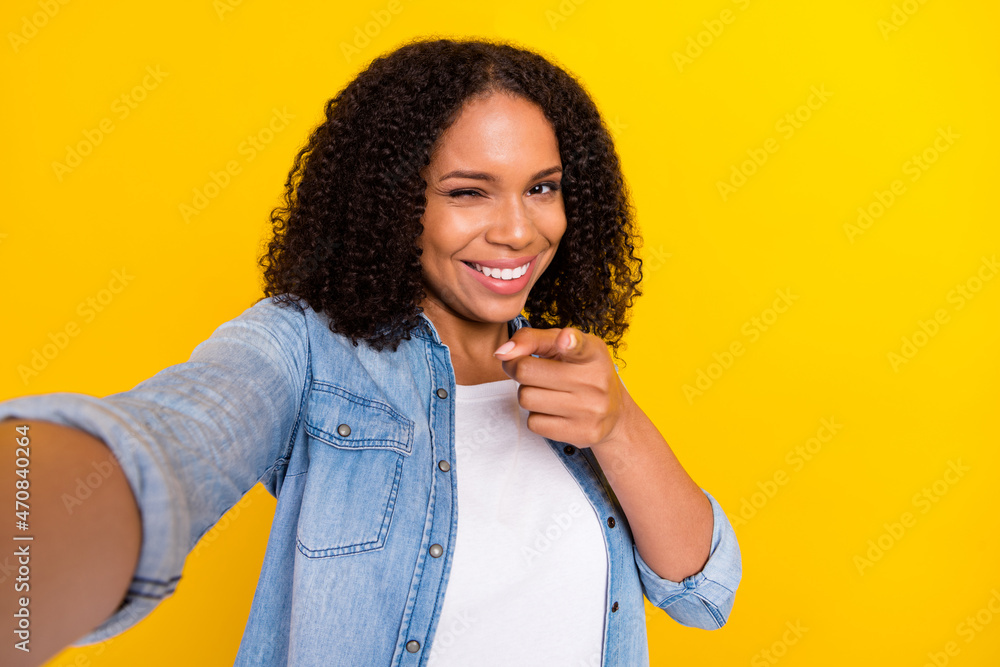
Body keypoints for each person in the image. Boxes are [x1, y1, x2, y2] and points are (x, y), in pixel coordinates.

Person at [0, 37, 741, 666]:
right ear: (393, 200)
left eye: (541, 187)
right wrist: (34, 533)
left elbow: (703, 591)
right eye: (468, 192)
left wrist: (616, 425)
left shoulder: (565, 369)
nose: (518, 231)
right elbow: (180, 434)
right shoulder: (307, 348)